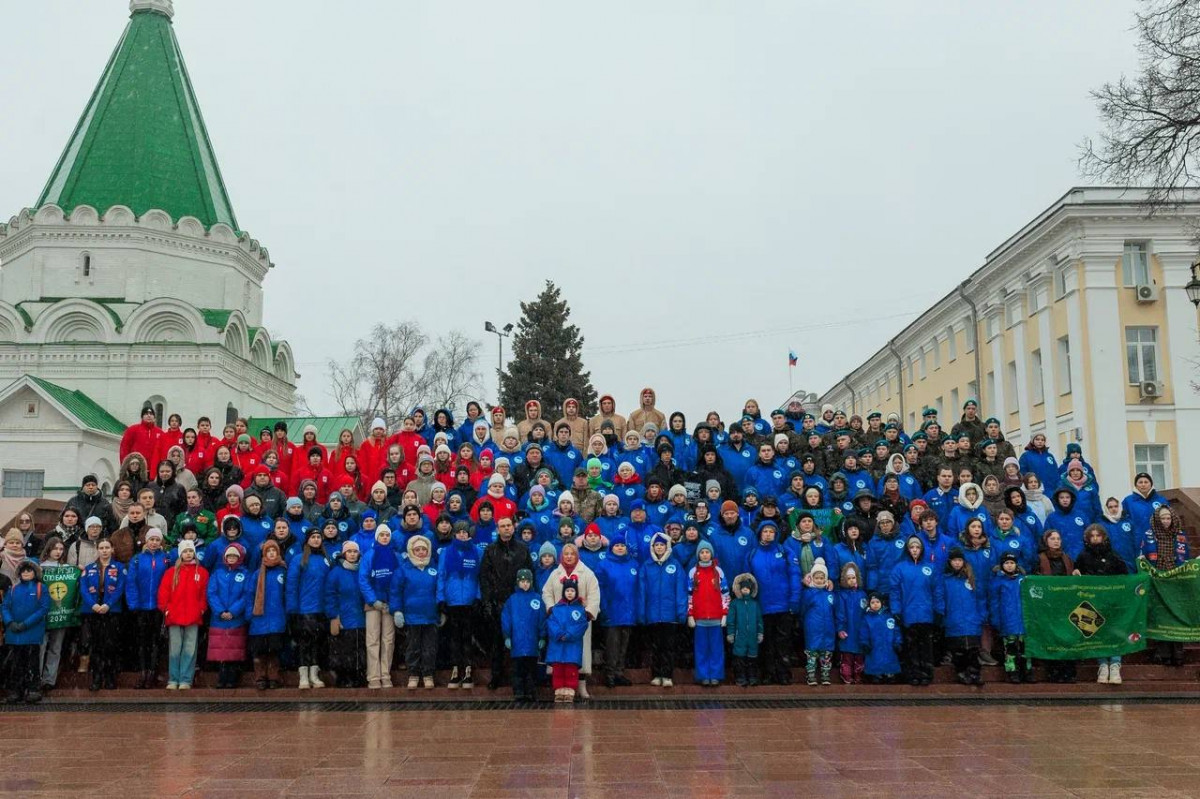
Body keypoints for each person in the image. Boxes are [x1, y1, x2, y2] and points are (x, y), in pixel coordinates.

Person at [541, 542, 601, 700]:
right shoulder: (555, 574)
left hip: (578, 623)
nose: (569, 556)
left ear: (577, 555)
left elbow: (595, 594)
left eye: (572, 554)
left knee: (578, 656)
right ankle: (560, 687)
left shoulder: (587, 573)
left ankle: (581, 685)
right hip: (559, 623)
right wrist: (551, 609)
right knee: (560, 656)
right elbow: (546, 592)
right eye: (566, 554)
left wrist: (587, 614)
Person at [479, 515, 531, 690]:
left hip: (519, 602)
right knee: (498, 643)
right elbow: (484, 578)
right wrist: (487, 602)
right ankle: (496, 676)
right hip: (497, 602)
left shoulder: (523, 549)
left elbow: (530, 575)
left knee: (521, 641)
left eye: (509, 525)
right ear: (497, 529)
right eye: (503, 526)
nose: (506, 528)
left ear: (513, 527)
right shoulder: (490, 550)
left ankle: (521, 678)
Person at [1073, 524, 1128, 684]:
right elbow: (1077, 575)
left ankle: (1115, 665)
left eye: (1098, 535)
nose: (1096, 538)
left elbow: (1124, 577)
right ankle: (1102, 665)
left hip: (1111, 601)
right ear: (1088, 538)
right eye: (1092, 536)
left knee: (1114, 631)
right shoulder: (1083, 556)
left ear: (1104, 537)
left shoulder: (1113, 556)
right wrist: (1076, 573)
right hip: (1091, 601)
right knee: (1094, 631)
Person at [156, 539, 208, 690]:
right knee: (175, 649)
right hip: (174, 616)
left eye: (190, 551)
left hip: (193, 616)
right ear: (180, 553)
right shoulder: (171, 572)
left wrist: (201, 609)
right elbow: (163, 593)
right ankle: (173, 679)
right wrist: (166, 609)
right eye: (185, 551)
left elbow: (204, 595)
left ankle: (186, 679)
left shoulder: (201, 572)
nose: (188, 554)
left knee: (190, 649)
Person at [639, 531, 687, 688]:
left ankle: (667, 674)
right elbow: (642, 592)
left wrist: (681, 611)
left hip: (670, 615)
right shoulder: (646, 566)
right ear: (653, 547)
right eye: (657, 545)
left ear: (667, 547)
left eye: (662, 545)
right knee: (655, 647)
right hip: (652, 615)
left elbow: (680, 590)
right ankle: (656, 674)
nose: (659, 547)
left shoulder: (675, 565)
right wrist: (642, 612)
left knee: (668, 647)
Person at [438, 521, 483, 690]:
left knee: (468, 637)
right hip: (453, 600)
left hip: (470, 600)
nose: (462, 535)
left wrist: (478, 597)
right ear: (454, 534)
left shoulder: (477, 551)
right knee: (454, 638)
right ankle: (456, 669)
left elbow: (480, 577)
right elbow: (441, 576)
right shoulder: (446, 552)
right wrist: (441, 599)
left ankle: (468, 670)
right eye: (459, 532)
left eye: (465, 532)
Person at [392, 534, 440, 689]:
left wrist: (441, 610)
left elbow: (439, 591)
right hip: (411, 616)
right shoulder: (403, 570)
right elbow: (395, 592)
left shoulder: (434, 569)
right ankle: (413, 674)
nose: (421, 552)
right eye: (417, 549)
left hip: (430, 616)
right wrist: (397, 610)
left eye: (423, 549)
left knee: (429, 647)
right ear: (411, 551)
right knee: (413, 647)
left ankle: (428, 674)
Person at [124, 528, 170, 689]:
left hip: (158, 607)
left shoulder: (165, 559)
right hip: (141, 606)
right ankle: (142, 673)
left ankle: (153, 672)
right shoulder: (137, 559)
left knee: (156, 641)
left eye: (157, 540)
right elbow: (131, 582)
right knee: (142, 642)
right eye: (152, 540)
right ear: (146, 541)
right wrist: (133, 603)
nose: (154, 543)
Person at [79, 539, 126, 691]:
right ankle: (96, 678)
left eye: (107, 547)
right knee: (96, 645)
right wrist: (93, 605)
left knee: (110, 645)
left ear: (112, 549)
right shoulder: (89, 568)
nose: (104, 550)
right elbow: (83, 588)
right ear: (97, 550)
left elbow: (120, 588)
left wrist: (108, 604)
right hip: (93, 610)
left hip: (111, 611)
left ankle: (110, 677)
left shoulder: (119, 567)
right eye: (101, 548)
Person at [890, 536, 937, 686]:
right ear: (907, 550)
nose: (915, 550)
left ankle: (926, 673)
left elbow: (937, 590)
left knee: (926, 646)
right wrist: (896, 610)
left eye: (917, 547)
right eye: (912, 548)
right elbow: (895, 591)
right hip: (908, 614)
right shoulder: (900, 568)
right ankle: (913, 674)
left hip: (926, 614)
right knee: (911, 646)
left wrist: (938, 609)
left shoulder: (930, 568)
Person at [287, 530, 331, 690]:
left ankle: (314, 674)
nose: (316, 540)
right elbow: (291, 585)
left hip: (322, 609)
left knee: (317, 643)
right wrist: (292, 609)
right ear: (307, 540)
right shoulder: (299, 559)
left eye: (319, 537)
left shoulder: (325, 560)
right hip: (304, 609)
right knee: (304, 643)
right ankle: (303, 676)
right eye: (313, 537)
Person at [3, 560, 50, 704]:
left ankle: (33, 689)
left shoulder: (41, 588)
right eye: (23, 571)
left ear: (35, 572)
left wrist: (25, 624)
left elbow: (43, 608)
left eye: (29, 570)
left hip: (32, 632)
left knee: (32, 662)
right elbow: (4, 606)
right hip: (14, 632)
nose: (26, 573)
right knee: (16, 663)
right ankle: (16, 690)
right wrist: (10, 622)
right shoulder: (13, 589)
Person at [358, 525, 398, 689]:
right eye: (381, 535)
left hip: (389, 604)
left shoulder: (395, 556)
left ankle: (385, 674)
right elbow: (363, 579)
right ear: (376, 537)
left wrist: (394, 601)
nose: (384, 537)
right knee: (372, 639)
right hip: (373, 604)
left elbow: (399, 579)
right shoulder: (369, 555)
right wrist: (373, 600)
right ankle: (373, 675)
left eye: (387, 535)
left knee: (388, 640)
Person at [37, 537, 79, 691]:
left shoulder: (67, 568)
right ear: (48, 549)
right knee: (41, 647)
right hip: (43, 615)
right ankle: (37, 678)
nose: (58, 552)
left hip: (60, 615)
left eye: (61, 549)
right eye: (55, 548)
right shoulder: (39, 568)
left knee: (56, 647)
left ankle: (49, 680)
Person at [597, 534, 638, 688]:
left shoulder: (633, 564)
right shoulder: (604, 565)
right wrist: (604, 608)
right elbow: (600, 589)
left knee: (624, 644)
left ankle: (619, 672)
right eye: (617, 545)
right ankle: (610, 674)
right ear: (611, 547)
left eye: (622, 545)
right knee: (612, 645)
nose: (620, 548)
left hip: (628, 612)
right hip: (612, 611)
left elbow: (637, 590)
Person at [206, 543, 249, 689]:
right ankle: (222, 676)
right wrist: (220, 611)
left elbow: (246, 595)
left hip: (236, 619)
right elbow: (211, 593)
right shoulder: (217, 573)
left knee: (234, 650)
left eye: (234, 556)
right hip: (219, 619)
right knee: (221, 651)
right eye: (229, 556)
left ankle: (232, 677)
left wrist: (233, 611)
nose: (231, 558)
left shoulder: (245, 573)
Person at [325, 540, 367, 688]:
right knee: (343, 650)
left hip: (361, 618)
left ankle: (358, 676)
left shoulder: (363, 570)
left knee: (359, 649)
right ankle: (344, 677)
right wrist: (333, 616)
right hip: (343, 618)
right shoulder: (336, 572)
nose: (352, 554)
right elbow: (330, 595)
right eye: (349, 552)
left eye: (355, 551)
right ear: (344, 554)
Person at [940, 547, 984, 686]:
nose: (957, 563)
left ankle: (975, 673)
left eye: (960, 560)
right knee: (958, 651)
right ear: (950, 562)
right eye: (955, 560)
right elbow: (941, 598)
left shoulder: (971, 579)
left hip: (972, 620)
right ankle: (962, 672)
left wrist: (981, 615)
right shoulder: (945, 580)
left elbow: (980, 598)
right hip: (954, 620)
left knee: (973, 650)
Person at [687, 540, 729, 687]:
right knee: (701, 649)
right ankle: (703, 675)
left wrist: (725, 613)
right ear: (698, 555)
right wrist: (690, 614)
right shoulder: (693, 572)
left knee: (716, 648)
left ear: (711, 554)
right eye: (702, 552)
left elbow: (725, 594)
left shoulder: (718, 571)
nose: (705, 555)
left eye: (707, 552)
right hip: (700, 619)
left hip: (716, 618)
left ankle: (716, 674)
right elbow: (689, 595)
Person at [501, 568, 546, 702]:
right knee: (518, 670)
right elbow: (506, 619)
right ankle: (519, 692)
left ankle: (531, 692)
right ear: (517, 582)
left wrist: (542, 636)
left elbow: (542, 620)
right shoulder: (512, 600)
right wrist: (507, 636)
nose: (525, 584)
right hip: (517, 643)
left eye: (527, 581)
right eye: (522, 581)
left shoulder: (537, 599)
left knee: (531, 670)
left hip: (532, 643)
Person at [1037, 530, 1077, 684]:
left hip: (1065, 604)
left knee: (1067, 637)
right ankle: (1053, 671)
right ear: (1046, 541)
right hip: (1048, 604)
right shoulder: (1040, 559)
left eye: (1058, 538)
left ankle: (1068, 670)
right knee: (1051, 637)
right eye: (1052, 538)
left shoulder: (1067, 558)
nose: (1056, 541)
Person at [249, 540, 288, 690]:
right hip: (259, 619)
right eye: (268, 551)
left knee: (274, 650)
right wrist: (249, 614)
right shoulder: (257, 574)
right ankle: (260, 677)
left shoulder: (283, 571)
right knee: (259, 651)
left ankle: (273, 677)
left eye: (274, 551)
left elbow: (287, 594)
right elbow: (250, 595)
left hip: (277, 617)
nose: (271, 553)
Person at [989, 552, 1032, 684]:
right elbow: (994, 603)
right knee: (1010, 648)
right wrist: (996, 619)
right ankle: (1012, 671)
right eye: (1006, 563)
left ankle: (1027, 671)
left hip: (1023, 620)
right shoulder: (997, 582)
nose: (1009, 566)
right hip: (1008, 621)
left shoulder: (1023, 580)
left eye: (1012, 563)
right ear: (1002, 565)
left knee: (1026, 648)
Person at [546, 577, 590, 703]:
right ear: (563, 592)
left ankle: (570, 689)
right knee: (558, 668)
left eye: (572, 590)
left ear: (576, 592)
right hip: (557, 645)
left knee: (571, 668)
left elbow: (582, 625)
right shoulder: (556, 609)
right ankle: (559, 689)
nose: (570, 593)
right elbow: (551, 623)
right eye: (567, 590)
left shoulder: (580, 610)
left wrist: (570, 634)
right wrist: (559, 634)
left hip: (572, 645)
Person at [799, 558, 836, 685]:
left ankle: (825, 675)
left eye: (822, 578)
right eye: (817, 578)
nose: (819, 580)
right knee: (812, 654)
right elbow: (803, 609)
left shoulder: (830, 594)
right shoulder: (809, 593)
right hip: (813, 628)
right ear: (812, 578)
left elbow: (834, 611)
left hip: (828, 629)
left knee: (826, 654)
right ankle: (811, 675)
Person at [726, 573, 763, 687]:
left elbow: (759, 620)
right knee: (739, 658)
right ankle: (740, 677)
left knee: (752, 658)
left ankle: (752, 677)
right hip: (740, 636)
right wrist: (731, 633)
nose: (745, 590)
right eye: (743, 588)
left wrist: (760, 632)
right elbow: (731, 620)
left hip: (752, 636)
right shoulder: (735, 604)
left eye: (747, 588)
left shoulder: (755, 604)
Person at [834, 563, 868, 684]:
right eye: (848, 578)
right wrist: (840, 629)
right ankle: (847, 675)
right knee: (847, 656)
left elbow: (865, 614)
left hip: (860, 631)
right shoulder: (841, 595)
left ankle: (858, 674)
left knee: (859, 656)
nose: (851, 580)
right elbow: (840, 614)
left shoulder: (863, 595)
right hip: (847, 630)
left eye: (853, 577)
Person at [859, 592, 902, 684]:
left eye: (877, 602)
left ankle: (890, 674)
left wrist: (898, 642)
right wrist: (865, 643)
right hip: (874, 644)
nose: (875, 604)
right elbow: (864, 632)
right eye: (872, 602)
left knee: (890, 658)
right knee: (875, 659)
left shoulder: (889, 616)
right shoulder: (867, 618)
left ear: (882, 603)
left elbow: (896, 630)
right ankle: (876, 675)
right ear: (869, 604)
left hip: (888, 644)